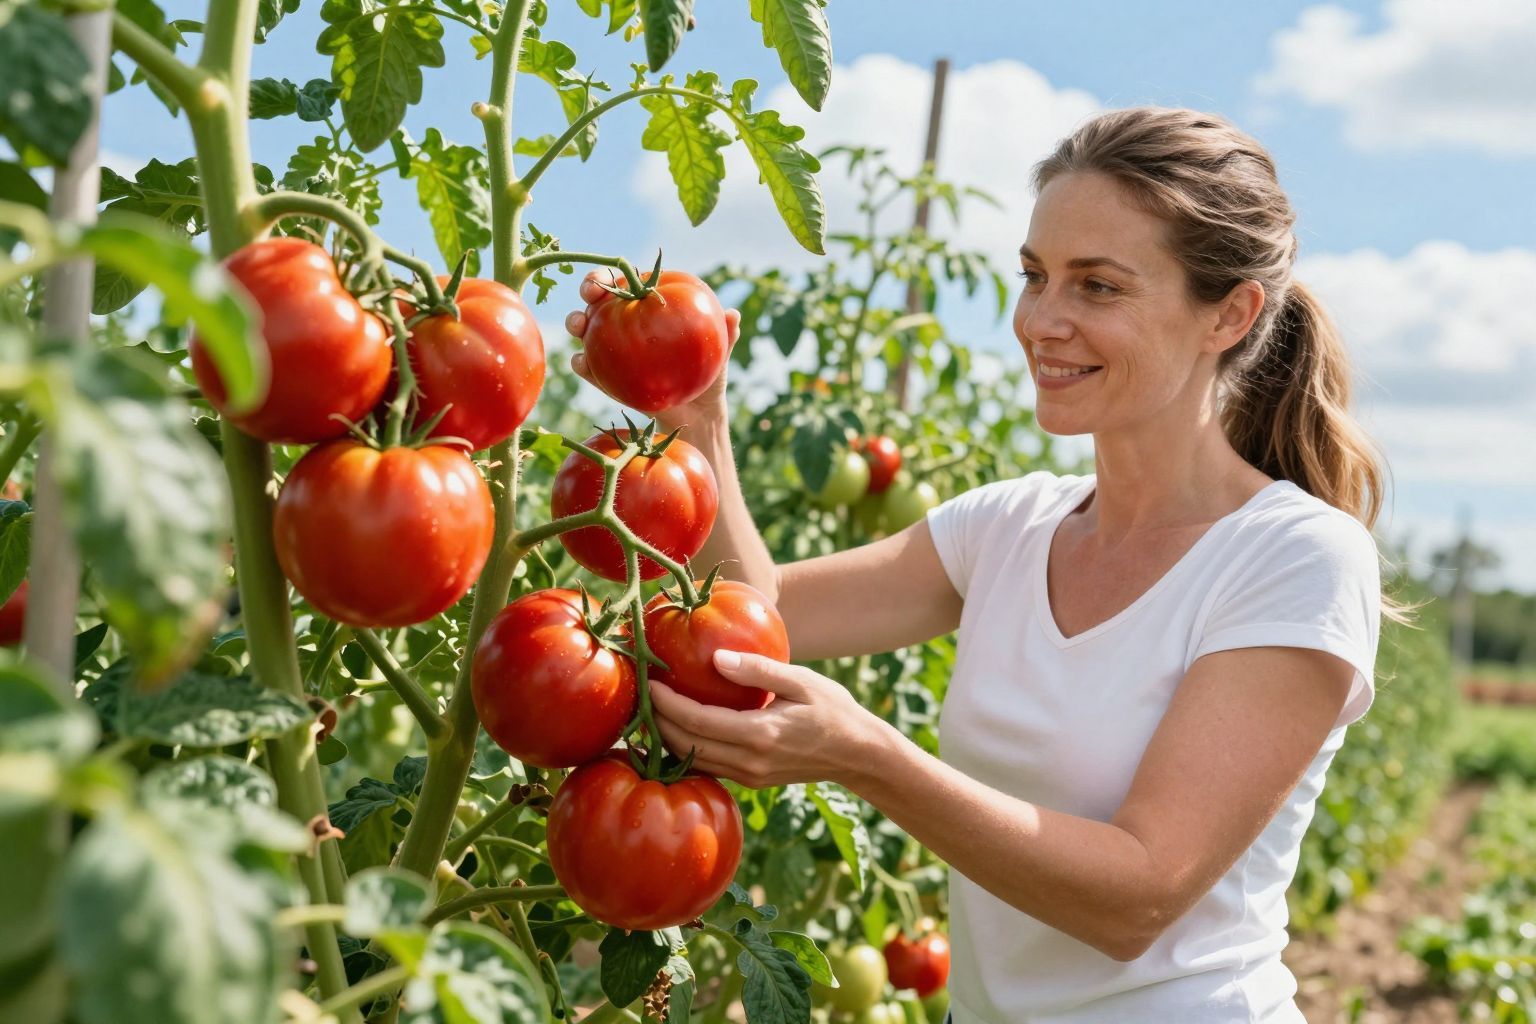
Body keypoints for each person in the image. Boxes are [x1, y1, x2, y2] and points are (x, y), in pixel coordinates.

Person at [564, 106, 1387, 1024]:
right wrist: (695, 413)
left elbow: (1138, 898)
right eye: (1035, 276)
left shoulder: (1294, 559)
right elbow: (754, 617)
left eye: (1099, 287)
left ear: (1229, 315)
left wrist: (865, 756)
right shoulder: (1009, 526)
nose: (1042, 321)